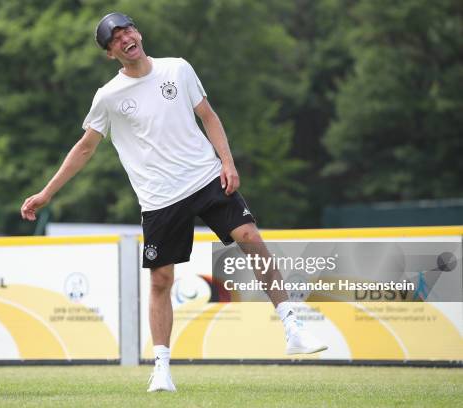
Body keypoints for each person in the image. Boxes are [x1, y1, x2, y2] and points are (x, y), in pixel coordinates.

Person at [21, 13, 327, 392]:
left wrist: (228, 163)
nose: (125, 39)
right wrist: (46, 193)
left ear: (139, 33)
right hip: (160, 198)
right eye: (115, 39)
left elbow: (209, 117)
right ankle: (162, 368)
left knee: (250, 237)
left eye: (127, 30)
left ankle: (292, 325)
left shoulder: (178, 69)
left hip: (206, 178)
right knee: (162, 279)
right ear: (110, 54)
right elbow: (84, 149)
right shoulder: (108, 97)